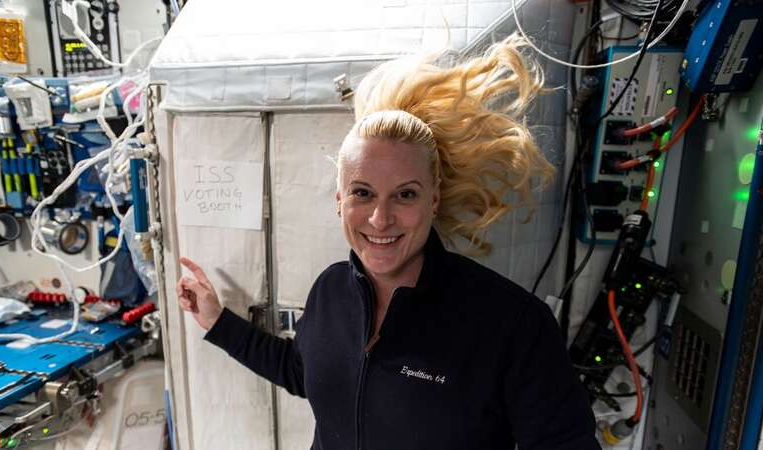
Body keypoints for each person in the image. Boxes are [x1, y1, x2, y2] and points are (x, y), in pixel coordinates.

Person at [177, 35, 601, 450]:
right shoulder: (329, 291)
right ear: (340, 200)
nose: (381, 218)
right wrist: (217, 321)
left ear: (433, 199)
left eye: (405, 194)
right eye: (363, 193)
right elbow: (302, 371)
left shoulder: (512, 325)